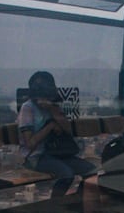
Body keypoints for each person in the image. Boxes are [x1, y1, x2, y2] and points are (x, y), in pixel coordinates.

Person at [16, 71, 94, 199]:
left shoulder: (53, 107)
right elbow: (30, 143)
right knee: (67, 175)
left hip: (56, 153)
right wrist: (50, 126)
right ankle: (55, 205)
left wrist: (53, 109)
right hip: (36, 157)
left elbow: (68, 130)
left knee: (92, 172)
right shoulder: (27, 108)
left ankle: (79, 202)